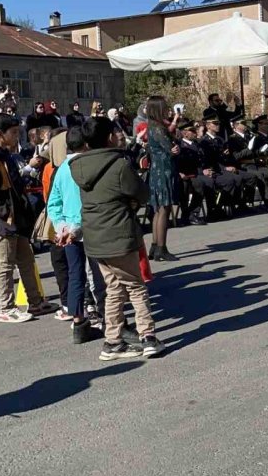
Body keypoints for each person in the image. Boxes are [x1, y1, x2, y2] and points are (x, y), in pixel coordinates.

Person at [71, 117, 164, 360]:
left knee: (113, 289)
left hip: (95, 236)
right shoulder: (119, 165)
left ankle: (112, 341)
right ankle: (148, 336)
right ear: (109, 137)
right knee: (135, 286)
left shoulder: (78, 166)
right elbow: (142, 194)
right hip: (119, 233)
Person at [0, 114, 57, 323]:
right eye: (13, 133)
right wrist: (6, 214)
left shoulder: (4, 155)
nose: (16, 137)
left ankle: (36, 301)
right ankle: (7, 307)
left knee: (26, 260)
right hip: (3, 222)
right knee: (5, 264)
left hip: (15, 218)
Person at [46, 127, 99, 344]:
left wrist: (60, 226)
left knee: (75, 275)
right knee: (98, 275)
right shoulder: (86, 166)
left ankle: (78, 321)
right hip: (87, 227)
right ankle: (107, 317)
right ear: (86, 145)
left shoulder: (60, 170)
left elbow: (54, 202)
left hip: (67, 229)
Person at [144, 96, 179, 261]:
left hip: (157, 170)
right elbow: (170, 149)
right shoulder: (157, 128)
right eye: (164, 107)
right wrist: (175, 149)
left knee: (158, 210)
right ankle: (161, 248)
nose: (167, 109)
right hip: (163, 170)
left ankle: (154, 245)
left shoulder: (153, 126)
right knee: (164, 209)